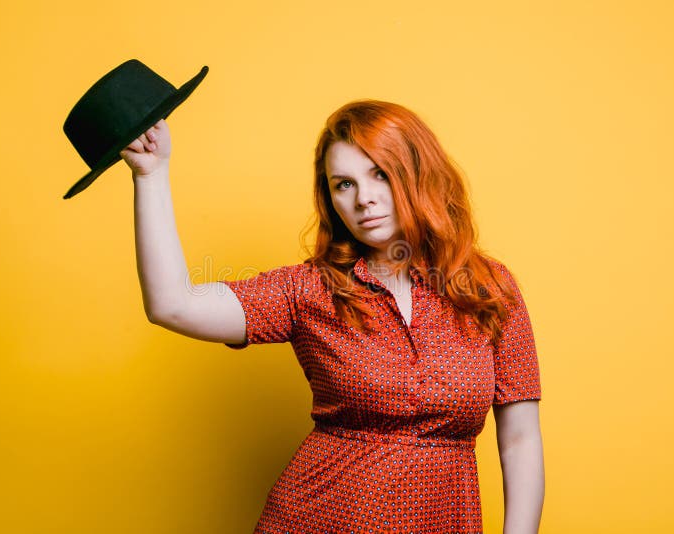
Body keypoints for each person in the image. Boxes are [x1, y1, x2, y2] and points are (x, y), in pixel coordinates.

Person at [122, 100, 544, 533]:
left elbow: (520, 439)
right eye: (343, 184)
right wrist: (151, 174)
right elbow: (172, 304)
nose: (364, 198)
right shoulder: (309, 289)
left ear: (419, 171)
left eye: (380, 173)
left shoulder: (490, 288)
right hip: (315, 517)